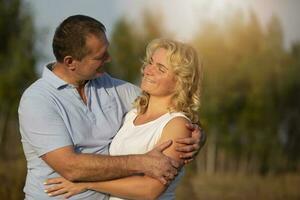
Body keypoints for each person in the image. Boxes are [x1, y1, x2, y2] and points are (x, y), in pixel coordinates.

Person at [18, 15, 205, 200]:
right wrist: (142, 162)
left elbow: (171, 111)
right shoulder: (38, 100)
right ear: (70, 62)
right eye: (100, 56)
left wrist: (197, 135)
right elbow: (71, 167)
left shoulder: (112, 87)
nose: (109, 58)